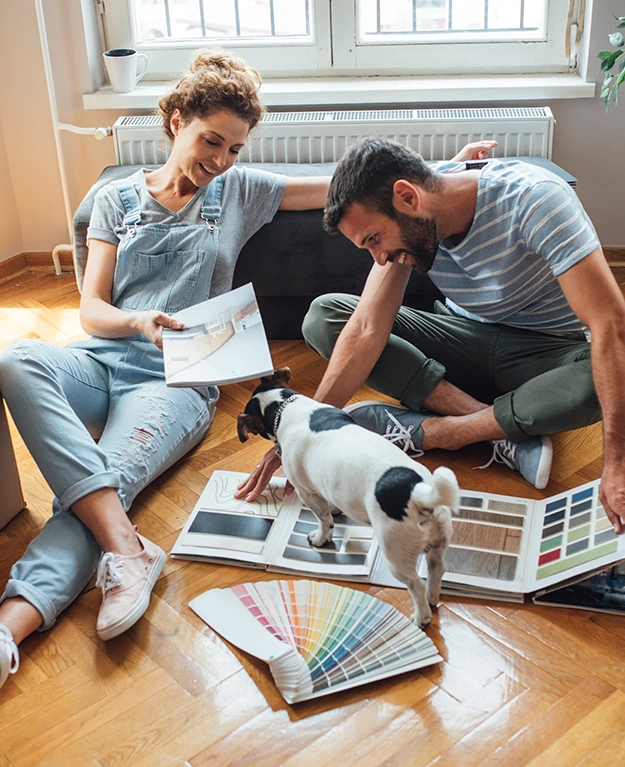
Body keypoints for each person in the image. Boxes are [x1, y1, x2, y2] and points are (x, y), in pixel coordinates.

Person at [0, 49, 334, 691]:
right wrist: (138, 322)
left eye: (235, 148)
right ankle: (128, 549)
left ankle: (9, 628)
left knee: (106, 483)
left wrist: (444, 172)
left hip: (177, 381)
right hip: (100, 361)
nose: (221, 160)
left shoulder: (240, 191)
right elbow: (93, 309)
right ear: (176, 119)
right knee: (17, 358)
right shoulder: (115, 199)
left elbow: (337, 185)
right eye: (212, 140)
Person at [238, 137, 625, 538]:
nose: (379, 257)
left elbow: (611, 325)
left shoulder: (536, 199)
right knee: (325, 316)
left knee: (602, 380)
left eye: (374, 239)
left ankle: (440, 431)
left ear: (407, 197)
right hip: (460, 341)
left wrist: (617, 462)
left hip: (544, 354)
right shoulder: (412, 226)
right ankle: (499, 428)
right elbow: (368, 326)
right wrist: (303, 435)